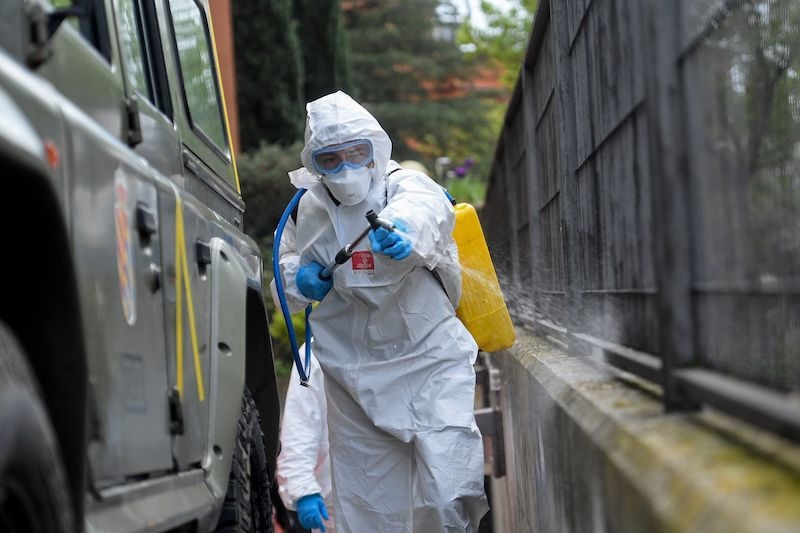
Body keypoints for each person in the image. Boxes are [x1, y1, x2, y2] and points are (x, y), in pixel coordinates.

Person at [272, 91, 488, 532]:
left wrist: (406, 232)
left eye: (356, 153)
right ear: (314, 163)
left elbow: (426, 208)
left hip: (429, 361)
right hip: (354, 376)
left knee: (449, 492)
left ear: (376, 149)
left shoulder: (401, 185)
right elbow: (282, 269)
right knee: (368, 507)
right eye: (331, 159)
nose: (346, 167)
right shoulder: (306, 210)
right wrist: (300, 280)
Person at [276, 345, 334, 533]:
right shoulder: (320, 348)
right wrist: (303, 488)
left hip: (415, 504)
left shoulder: (422, 337)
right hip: (340, 510)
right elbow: (300, 424)